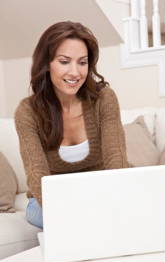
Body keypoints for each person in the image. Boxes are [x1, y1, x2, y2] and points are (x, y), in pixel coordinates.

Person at [14, 21, 129, 229]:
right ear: (46, 64)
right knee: (49, 217)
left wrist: (114, 201)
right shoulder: (27, 111)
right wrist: (71, 212)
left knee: (132, 205)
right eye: (64, 61)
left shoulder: (104, 98)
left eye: (82, 62)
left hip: (101, 192)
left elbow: (116, 161)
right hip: (49, 202)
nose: (75, 72)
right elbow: (37, 175)